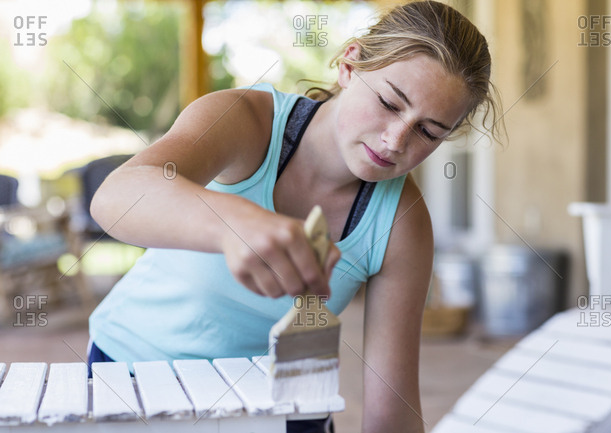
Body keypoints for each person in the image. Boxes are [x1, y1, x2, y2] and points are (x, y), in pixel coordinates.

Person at [87, 1, 501, 432]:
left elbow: (390, 412)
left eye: (428, 132)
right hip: (135, 378)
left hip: (281, 405)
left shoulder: (402, 224)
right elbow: (115, 198)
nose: (395, 140)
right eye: (390, 103)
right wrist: (234, 225)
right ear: (350, 64)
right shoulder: (246, 121)